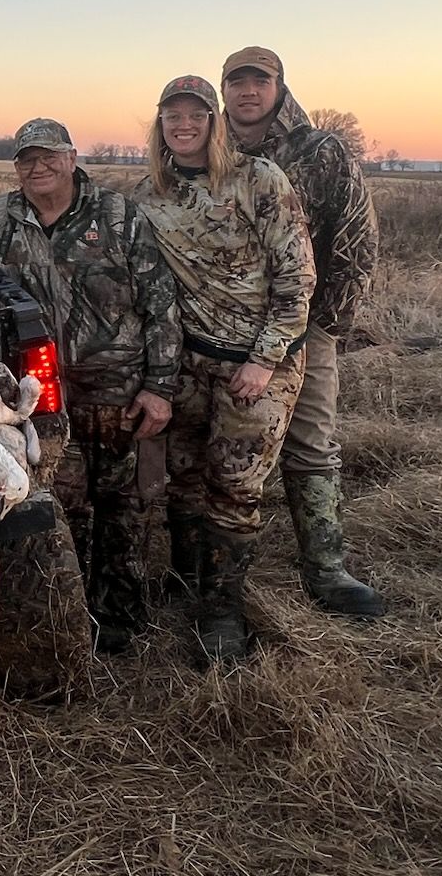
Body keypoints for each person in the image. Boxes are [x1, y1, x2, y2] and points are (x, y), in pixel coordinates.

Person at [0, 117, 181, 652]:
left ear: (72, 158)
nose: (38, 167)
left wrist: (160, 388)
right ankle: (69, 618)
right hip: (46, 397)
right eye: (27, 159)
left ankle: (121, 617)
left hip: (120, 387)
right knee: (60, 506)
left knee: (123, 505)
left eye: (49, 155)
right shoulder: (0, 218)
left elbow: (161, 304)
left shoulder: (119, 217)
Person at [131, 76, 316, 663]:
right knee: (184, 479)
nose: (183, 125)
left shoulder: (259, 180)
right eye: (171, 116)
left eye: (195, 115)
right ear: (159, 123)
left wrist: (264, 360)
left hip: (257, 366)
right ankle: (188, 581)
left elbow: (297, 279)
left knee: (234, 487)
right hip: (187, 363)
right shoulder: (147, 196)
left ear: (213, 121)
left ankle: (223, 611)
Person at [221, 46, 385, 618]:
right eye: (236, 82)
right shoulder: (207, 150)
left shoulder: (321, 151)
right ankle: (207, 569)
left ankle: (326, 567)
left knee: (310, 441)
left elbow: (357, 242)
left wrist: (325, 326)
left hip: (301, 326)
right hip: (220, 328)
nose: (247, 92)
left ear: (279, 87)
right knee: (217, 444)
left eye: (258, 81)